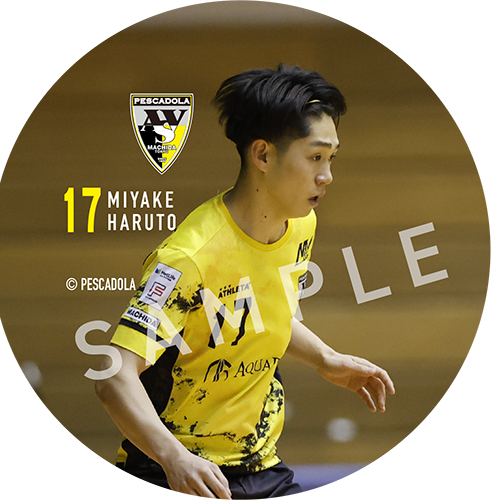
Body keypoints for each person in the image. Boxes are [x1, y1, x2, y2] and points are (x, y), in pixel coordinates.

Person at [95, 64, 395, 500]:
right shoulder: (189, 258)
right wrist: (175, 459)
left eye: (331, 159)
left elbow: (259, 314)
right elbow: (113, 376)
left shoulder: (300, 225)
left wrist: (325, 358)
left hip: (259, 466)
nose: (327, 175)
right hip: (174, 475)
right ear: (263, 155)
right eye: (315, 157)